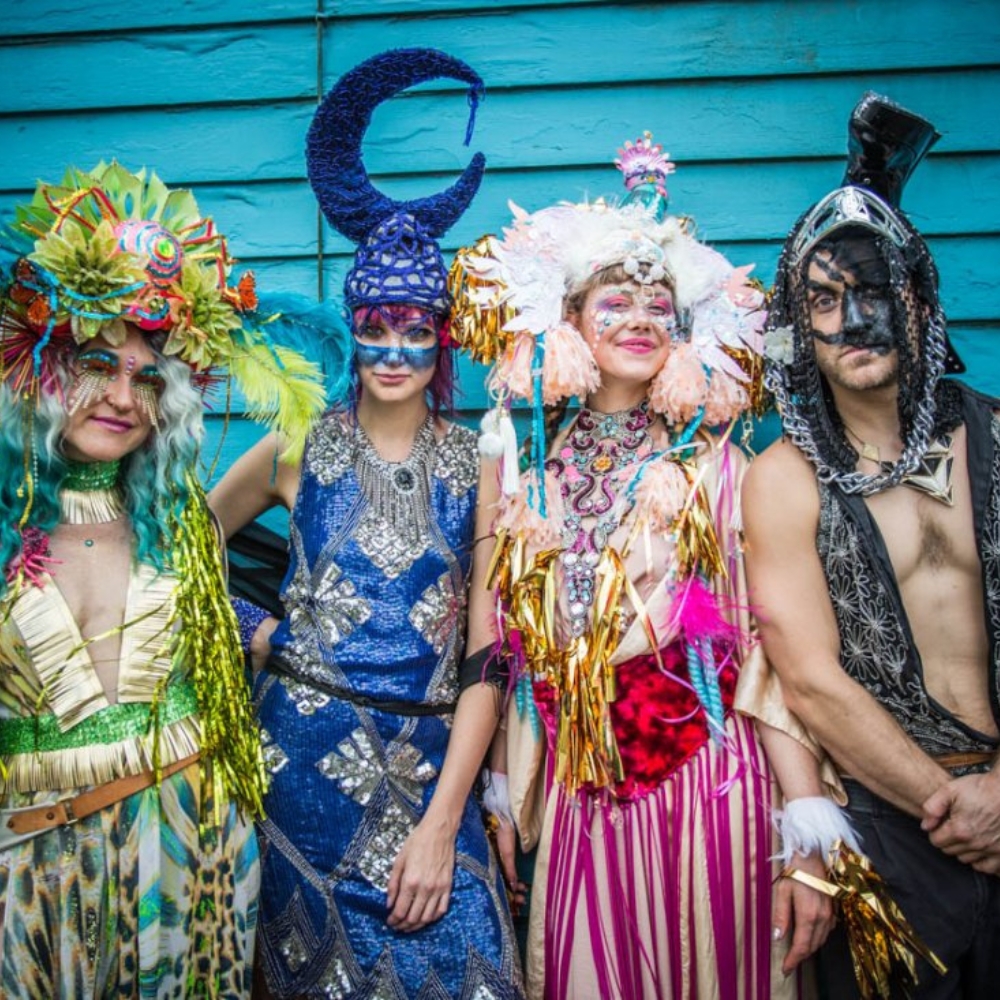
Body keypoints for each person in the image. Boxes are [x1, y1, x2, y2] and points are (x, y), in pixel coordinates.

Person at [449, 133, 837, 1000]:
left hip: (711, 788)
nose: (638, 320)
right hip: (584, 799)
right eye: (614, 301)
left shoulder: (717, 469)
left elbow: (766, 649)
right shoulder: (523, 470)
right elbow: (507, 643)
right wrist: (504, 779)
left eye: (659, 306)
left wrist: (805, 828)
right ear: (570, 322)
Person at [209, 49, 523, 999]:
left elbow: (491, 655)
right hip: (295, 769)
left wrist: (442, 820)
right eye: (375, 327)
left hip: (437, 768)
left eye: (415, 328)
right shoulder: (293, 447)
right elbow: (179, 552)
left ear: (442, 339)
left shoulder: (481, 460)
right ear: (353, 329)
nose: (393, 350)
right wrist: (256, 634)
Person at [0, 162, 326, 997]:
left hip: (193, 847)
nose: (121, 397)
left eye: (148, 378)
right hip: (32, 867)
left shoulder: (184, 526)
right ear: (36, 368)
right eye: (95, 366)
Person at [743, 91, 1000, 997]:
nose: (851, 321)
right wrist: (955, 805)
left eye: (874, 293)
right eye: (823, 301)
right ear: (797, 328)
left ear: (920, 302)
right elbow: (809, 676)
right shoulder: (782, 478)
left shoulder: (996, 438)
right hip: (891, 834)